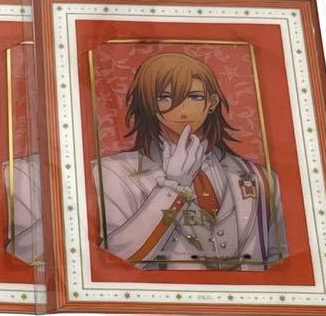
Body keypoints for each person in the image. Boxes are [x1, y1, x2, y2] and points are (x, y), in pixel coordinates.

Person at [93, 51, 286, 271]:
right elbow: (115, 262)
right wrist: (173, 186)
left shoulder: (260, 178)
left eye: (195, 97)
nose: (182, 109)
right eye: (165, 97)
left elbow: (281, 260)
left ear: (212, 102)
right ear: (149, 103)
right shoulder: (113, 172)